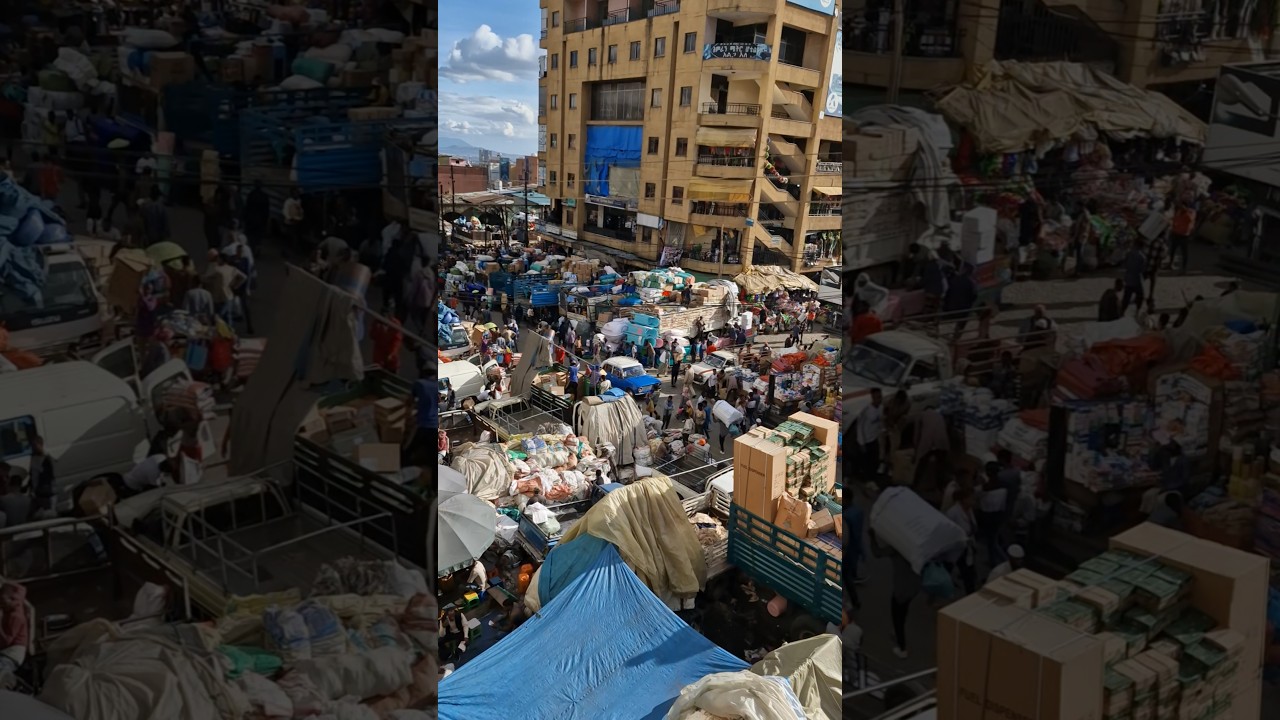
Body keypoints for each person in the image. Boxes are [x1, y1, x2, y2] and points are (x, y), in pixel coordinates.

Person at [870, 528, 922, 659]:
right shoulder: (916, 547)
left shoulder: (898, 549)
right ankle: (898, 634)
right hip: (913, 588)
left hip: (900, 591)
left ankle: (902, 647)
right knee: (903, 612)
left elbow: (877, 553)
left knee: (897, 617)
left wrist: (872, 537)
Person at [945, 485, 978, 594]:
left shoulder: (969, 510)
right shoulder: (953, 513)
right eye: (971, 498)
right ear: (964, 499)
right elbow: (948, 531)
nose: (974, 500)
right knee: (948, 570)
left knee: (968, 573)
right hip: (957, 547)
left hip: (967, 546)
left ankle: (970, 593)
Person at [978, 462, 1009, 567]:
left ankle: (1007, 562)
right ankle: (992, 562)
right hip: (998, 515)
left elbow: (981, 502)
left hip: (988, 516)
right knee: (992, 541)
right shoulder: (1003, 486)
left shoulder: (985, 487)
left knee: (992, 542)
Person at [854, 388, 884, 484]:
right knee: (865, 462)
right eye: (876, 397)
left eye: (879, 397)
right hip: (865, 440)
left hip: (874, 439)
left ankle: (871, 479)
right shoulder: (866, 410)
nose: (879, 399)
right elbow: (860, 427)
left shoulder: (881, 408)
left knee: (874, 461)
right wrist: (861, 442)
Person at [27, 435, 55, 519]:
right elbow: (32, 474)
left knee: (49, 514)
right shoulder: (33, 457)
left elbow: (49, 476)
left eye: (34, 446)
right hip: (38, 492)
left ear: (40, 444)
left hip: (46, 492)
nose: (33, 448)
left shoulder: (47, 458)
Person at [1120, 241, 1147, 317]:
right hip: (1137, 279)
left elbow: (1124, 265)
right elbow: (1143, 270)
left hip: (1128, 277)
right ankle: (1137, 311)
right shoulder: (1142, 257)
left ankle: (1122, 311)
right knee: (1140, 296)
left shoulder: (1129, 254)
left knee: (1126, 296)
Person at [1168, 200, 1195, 274]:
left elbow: (1190, 220)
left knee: (1184, 253)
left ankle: (1184, 268)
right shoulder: (1179, 211)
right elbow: (1175, 219)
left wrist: (1186, 211)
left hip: (1184, 235)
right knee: (1172, 250)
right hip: (1176, 233)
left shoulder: (1190, 212)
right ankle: (1170, 263)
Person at [243, 180, 270, 250]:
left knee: (252, 237)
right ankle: (256, 248)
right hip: (259, 220)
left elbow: (247, 208)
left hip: (252, 220)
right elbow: (266, 210)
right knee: (257, 237)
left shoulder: (251, 195)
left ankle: (253, 248)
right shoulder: (263, 196)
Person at [283, 187, 305, 253]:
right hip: (290, 222)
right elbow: (285, 211)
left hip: (297, 221)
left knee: (296, 236)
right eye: (295, 193)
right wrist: (289, 218)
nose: (296, 194)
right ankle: (286, 251)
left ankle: (294, 250)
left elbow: (301, 211)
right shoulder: (288, 201)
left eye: (297, 193)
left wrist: (300, 216)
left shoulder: (299, 201)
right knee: (289, 237)